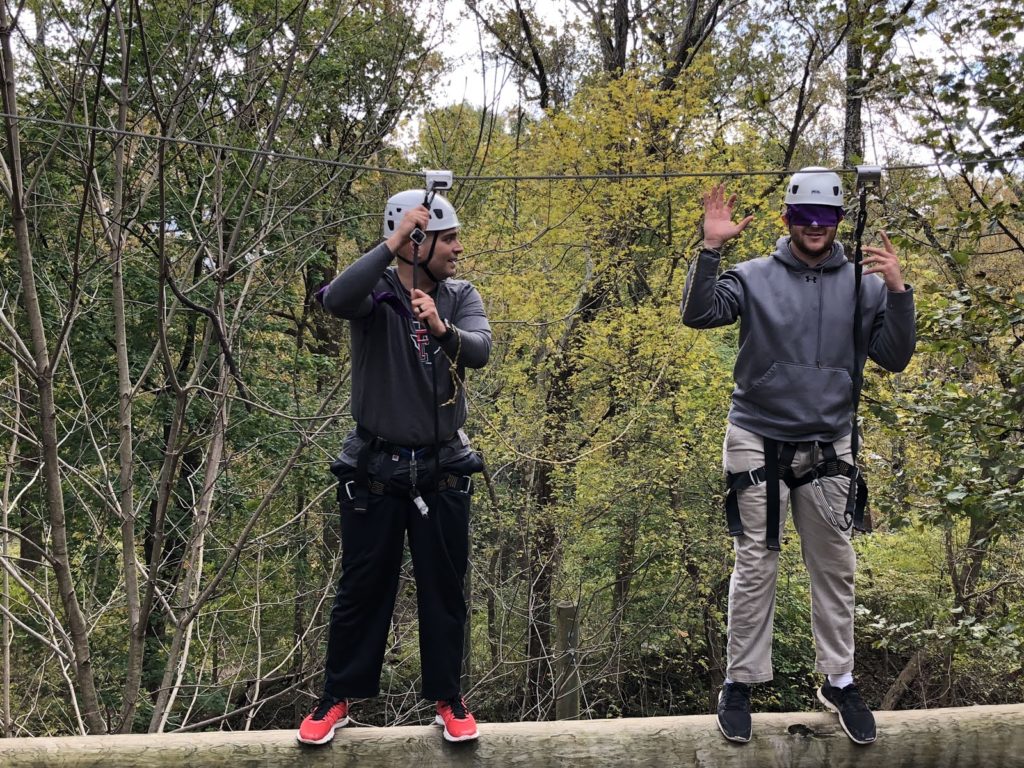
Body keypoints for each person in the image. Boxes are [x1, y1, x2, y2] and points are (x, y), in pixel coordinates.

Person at [681, 167, 915, 745]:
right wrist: (710, 249)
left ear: (838, 222)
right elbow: (699, 312)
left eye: (826, 218)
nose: (815, 228)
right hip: (758, 434)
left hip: (828, 442)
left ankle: (839, 678)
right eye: (805, 217)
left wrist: (899, 292)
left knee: (834, 564)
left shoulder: (862, 285)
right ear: (787, 220)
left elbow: (894, 357)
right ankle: (739, 681)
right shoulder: (755, 276)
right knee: (756, 563)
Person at [297, 188, 491, 745]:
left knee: (444, 589)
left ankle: (448, 699)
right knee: (362, 587)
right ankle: (337, 698)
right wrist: (391, 244)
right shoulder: (375, 291)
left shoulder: (459, 296)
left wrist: (441, 329)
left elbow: (480, 349)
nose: (457, 248)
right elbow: (335, 300)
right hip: (375, 468)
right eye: (447, 238)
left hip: (443, 465)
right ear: (418, 242)